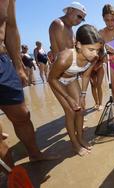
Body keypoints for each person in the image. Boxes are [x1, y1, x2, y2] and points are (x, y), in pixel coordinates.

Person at [0, 0, 58, 163]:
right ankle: (11, 173)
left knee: (22, 115)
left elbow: (10, 26)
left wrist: (18, 66)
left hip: (3, 62)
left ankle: (35, 155)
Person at [48, 24, 104, 156]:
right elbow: (51, 79)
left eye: (97, 50)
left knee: (80, 110)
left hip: (71, 79)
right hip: (57, 81)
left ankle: (80, 138)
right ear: (78, 44)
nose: (95, 54)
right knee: (70, 112)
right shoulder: (65, 58)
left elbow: (85, 75)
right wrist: (68, 98)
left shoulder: (93, 58)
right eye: (91, 49)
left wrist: (83, 95)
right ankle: (74, 143)